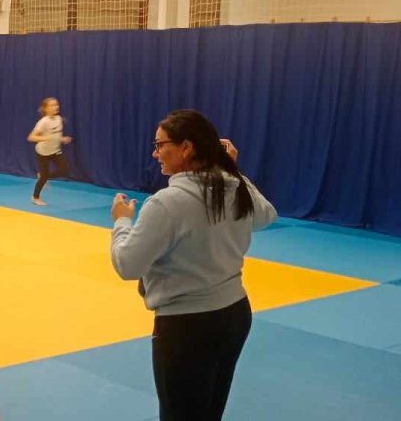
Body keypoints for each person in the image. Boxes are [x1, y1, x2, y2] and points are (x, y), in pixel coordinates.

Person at [110, 109, 277, 421]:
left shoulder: (167, 202)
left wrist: (121, 222)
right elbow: (266, 215)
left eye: (160, 145)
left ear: (186, 147)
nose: (155, 153)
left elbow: (127, 265)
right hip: (235, 314)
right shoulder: (233, 186)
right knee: (209, 410)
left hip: (187, 326)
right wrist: (232, 169)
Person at [27, 97, 72, 206]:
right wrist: (45, 138)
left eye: (57, 105)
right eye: (52, 105)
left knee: (64, 170)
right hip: (42, 153)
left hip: (55, 151)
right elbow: (31, 137)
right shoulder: (43, 122)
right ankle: (35, 197)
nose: (56, 107)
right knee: (43, 177)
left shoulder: (59, 119)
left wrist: (62, 139)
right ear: (46, 108)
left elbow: (56, 134)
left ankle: (44, 176)